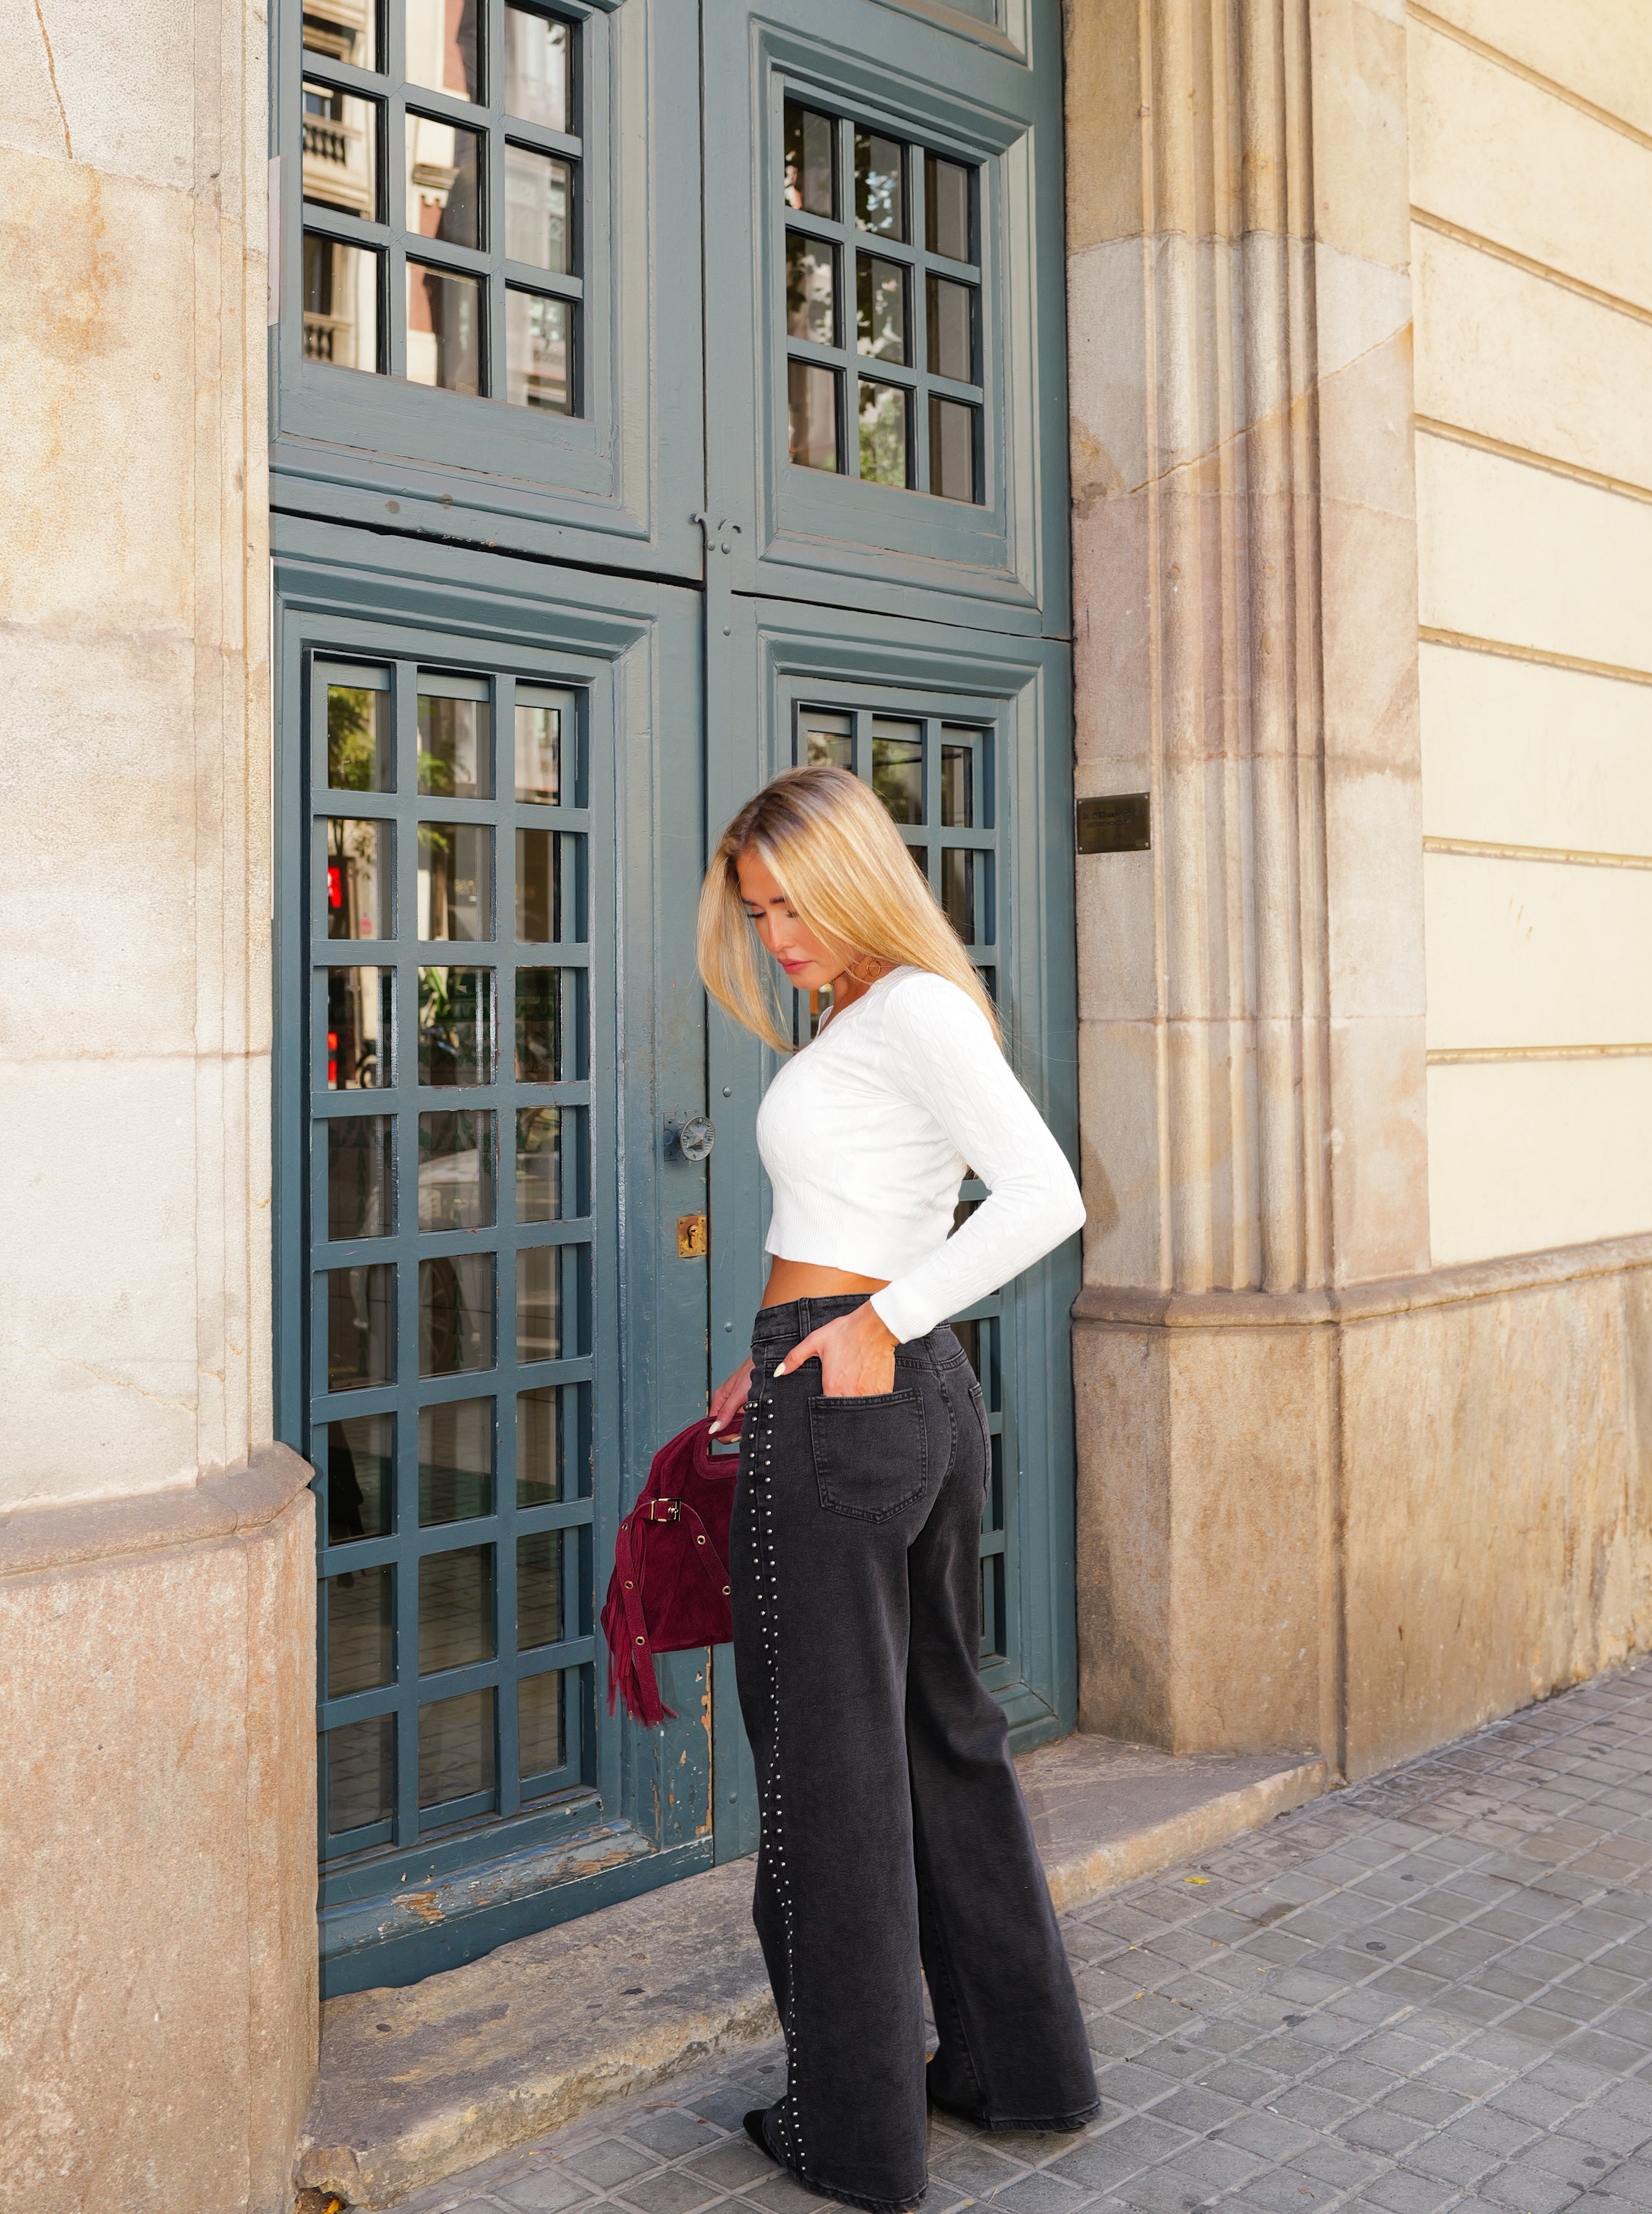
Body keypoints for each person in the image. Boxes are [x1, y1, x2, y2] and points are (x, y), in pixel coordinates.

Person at [697, 765, 1099, 2213]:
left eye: (795, 904)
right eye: (757, 913)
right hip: (867, 1383)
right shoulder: (880, 1012)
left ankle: (850, 2135)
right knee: (940, 1738)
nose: (776, 935)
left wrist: (869, 1320)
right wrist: (793, 1347)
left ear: (858, 878)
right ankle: (1017, 2069)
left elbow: (1045, 1197)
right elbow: (852, 1212)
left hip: (867, 1387)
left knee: (830, 1773)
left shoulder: (914, 1006)